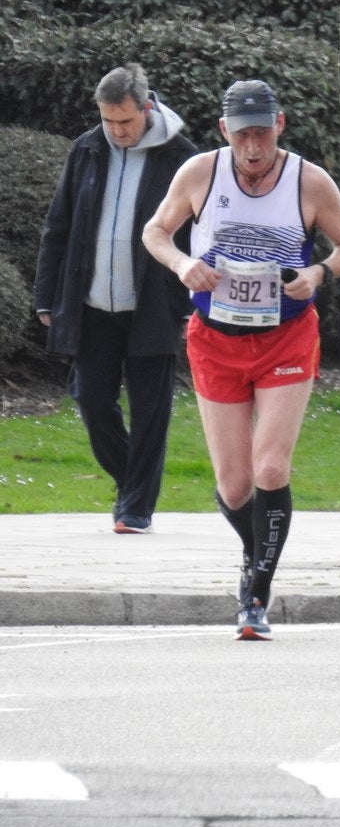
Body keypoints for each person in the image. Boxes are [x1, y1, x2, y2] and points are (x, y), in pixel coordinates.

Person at [142, 80, 340, 640]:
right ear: (225, 132)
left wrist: (318, 273)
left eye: (263, 132)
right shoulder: (200, 173)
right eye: (243, 134)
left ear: (280, 125)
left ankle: (255, 595)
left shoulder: (309, 181)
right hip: (214, 338)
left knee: (271, 469)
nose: (253, 146)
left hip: (286, 339)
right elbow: (156, 231)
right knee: (237, 486)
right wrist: (181, 264)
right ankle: (257, 553)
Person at [34, 64, 198, 535]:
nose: (117, 131)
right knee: (90, 398)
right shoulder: (87, 148)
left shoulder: (183, 158)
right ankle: (134, 482)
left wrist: (189, 303)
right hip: (91, 305)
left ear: (146, 109)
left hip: (154, 304)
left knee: (151, 409)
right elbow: (58, 225)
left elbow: (199, 234)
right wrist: (48, 296)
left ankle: (136, 508)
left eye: (124, 122)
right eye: (109, 121)